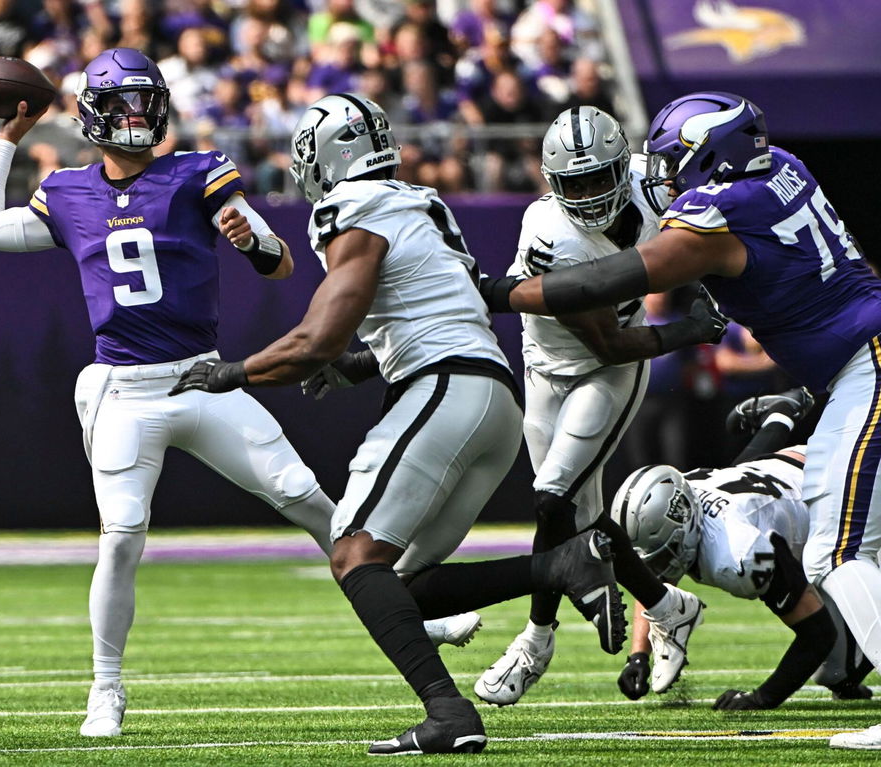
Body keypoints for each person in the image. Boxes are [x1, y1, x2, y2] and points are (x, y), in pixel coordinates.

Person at [0, 48, 477, 740]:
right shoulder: (68, 191)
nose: (137, 116)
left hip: (203, 376)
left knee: (304, 494)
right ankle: (105, 686)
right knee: (121, 537)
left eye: (145, 102)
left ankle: (409, 605)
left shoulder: (196, 171)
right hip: (126, 390)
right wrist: (6, 138)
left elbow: (279, 262)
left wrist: (249, 233)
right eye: (122, 105)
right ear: (93, 115)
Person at [171, 92, 624, 755]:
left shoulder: (352, 209)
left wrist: (235, 372)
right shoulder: (420, 204)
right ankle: (561, 563)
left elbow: (319, 335)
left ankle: (448, 710)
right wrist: (356, 366)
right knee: (399, 583)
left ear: (326, 158)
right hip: (490, 397)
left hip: (443, 387)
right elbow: (429, 306)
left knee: (352, 552)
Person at [480, 90, 881, 750]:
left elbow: (596, 287)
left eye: (676, 160)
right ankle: (658, 612)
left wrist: (494, 288)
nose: (663, 175)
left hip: (862, 367)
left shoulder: (716, 210)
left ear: (712, 158)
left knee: (836, 554)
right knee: (845, 549)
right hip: (848, 367)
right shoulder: (783, 164)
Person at [477, 106, 724, 707]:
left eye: (597, 178)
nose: (587, 195)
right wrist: (692, 330)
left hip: (609, 375)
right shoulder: (548, 232)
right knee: (578, 517)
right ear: (550, 182)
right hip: (555, 362)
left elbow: (717, 203)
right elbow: (607, 336)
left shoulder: (657, 183)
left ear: (624, 167)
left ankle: (535, 641)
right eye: (574, 183)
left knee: (553, 498)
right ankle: (670, 606)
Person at [614, 387, 873, 707]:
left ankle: (780, 415)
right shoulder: (688, 492)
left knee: (846, 649)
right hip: (796, 469)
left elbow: (817, 635)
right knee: (841, 671)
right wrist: (638, 654)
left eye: (664, 552)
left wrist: (761, 699)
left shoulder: (737, 551)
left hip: (848, 487)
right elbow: (653, 579)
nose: (658, 567)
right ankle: (781, 414)